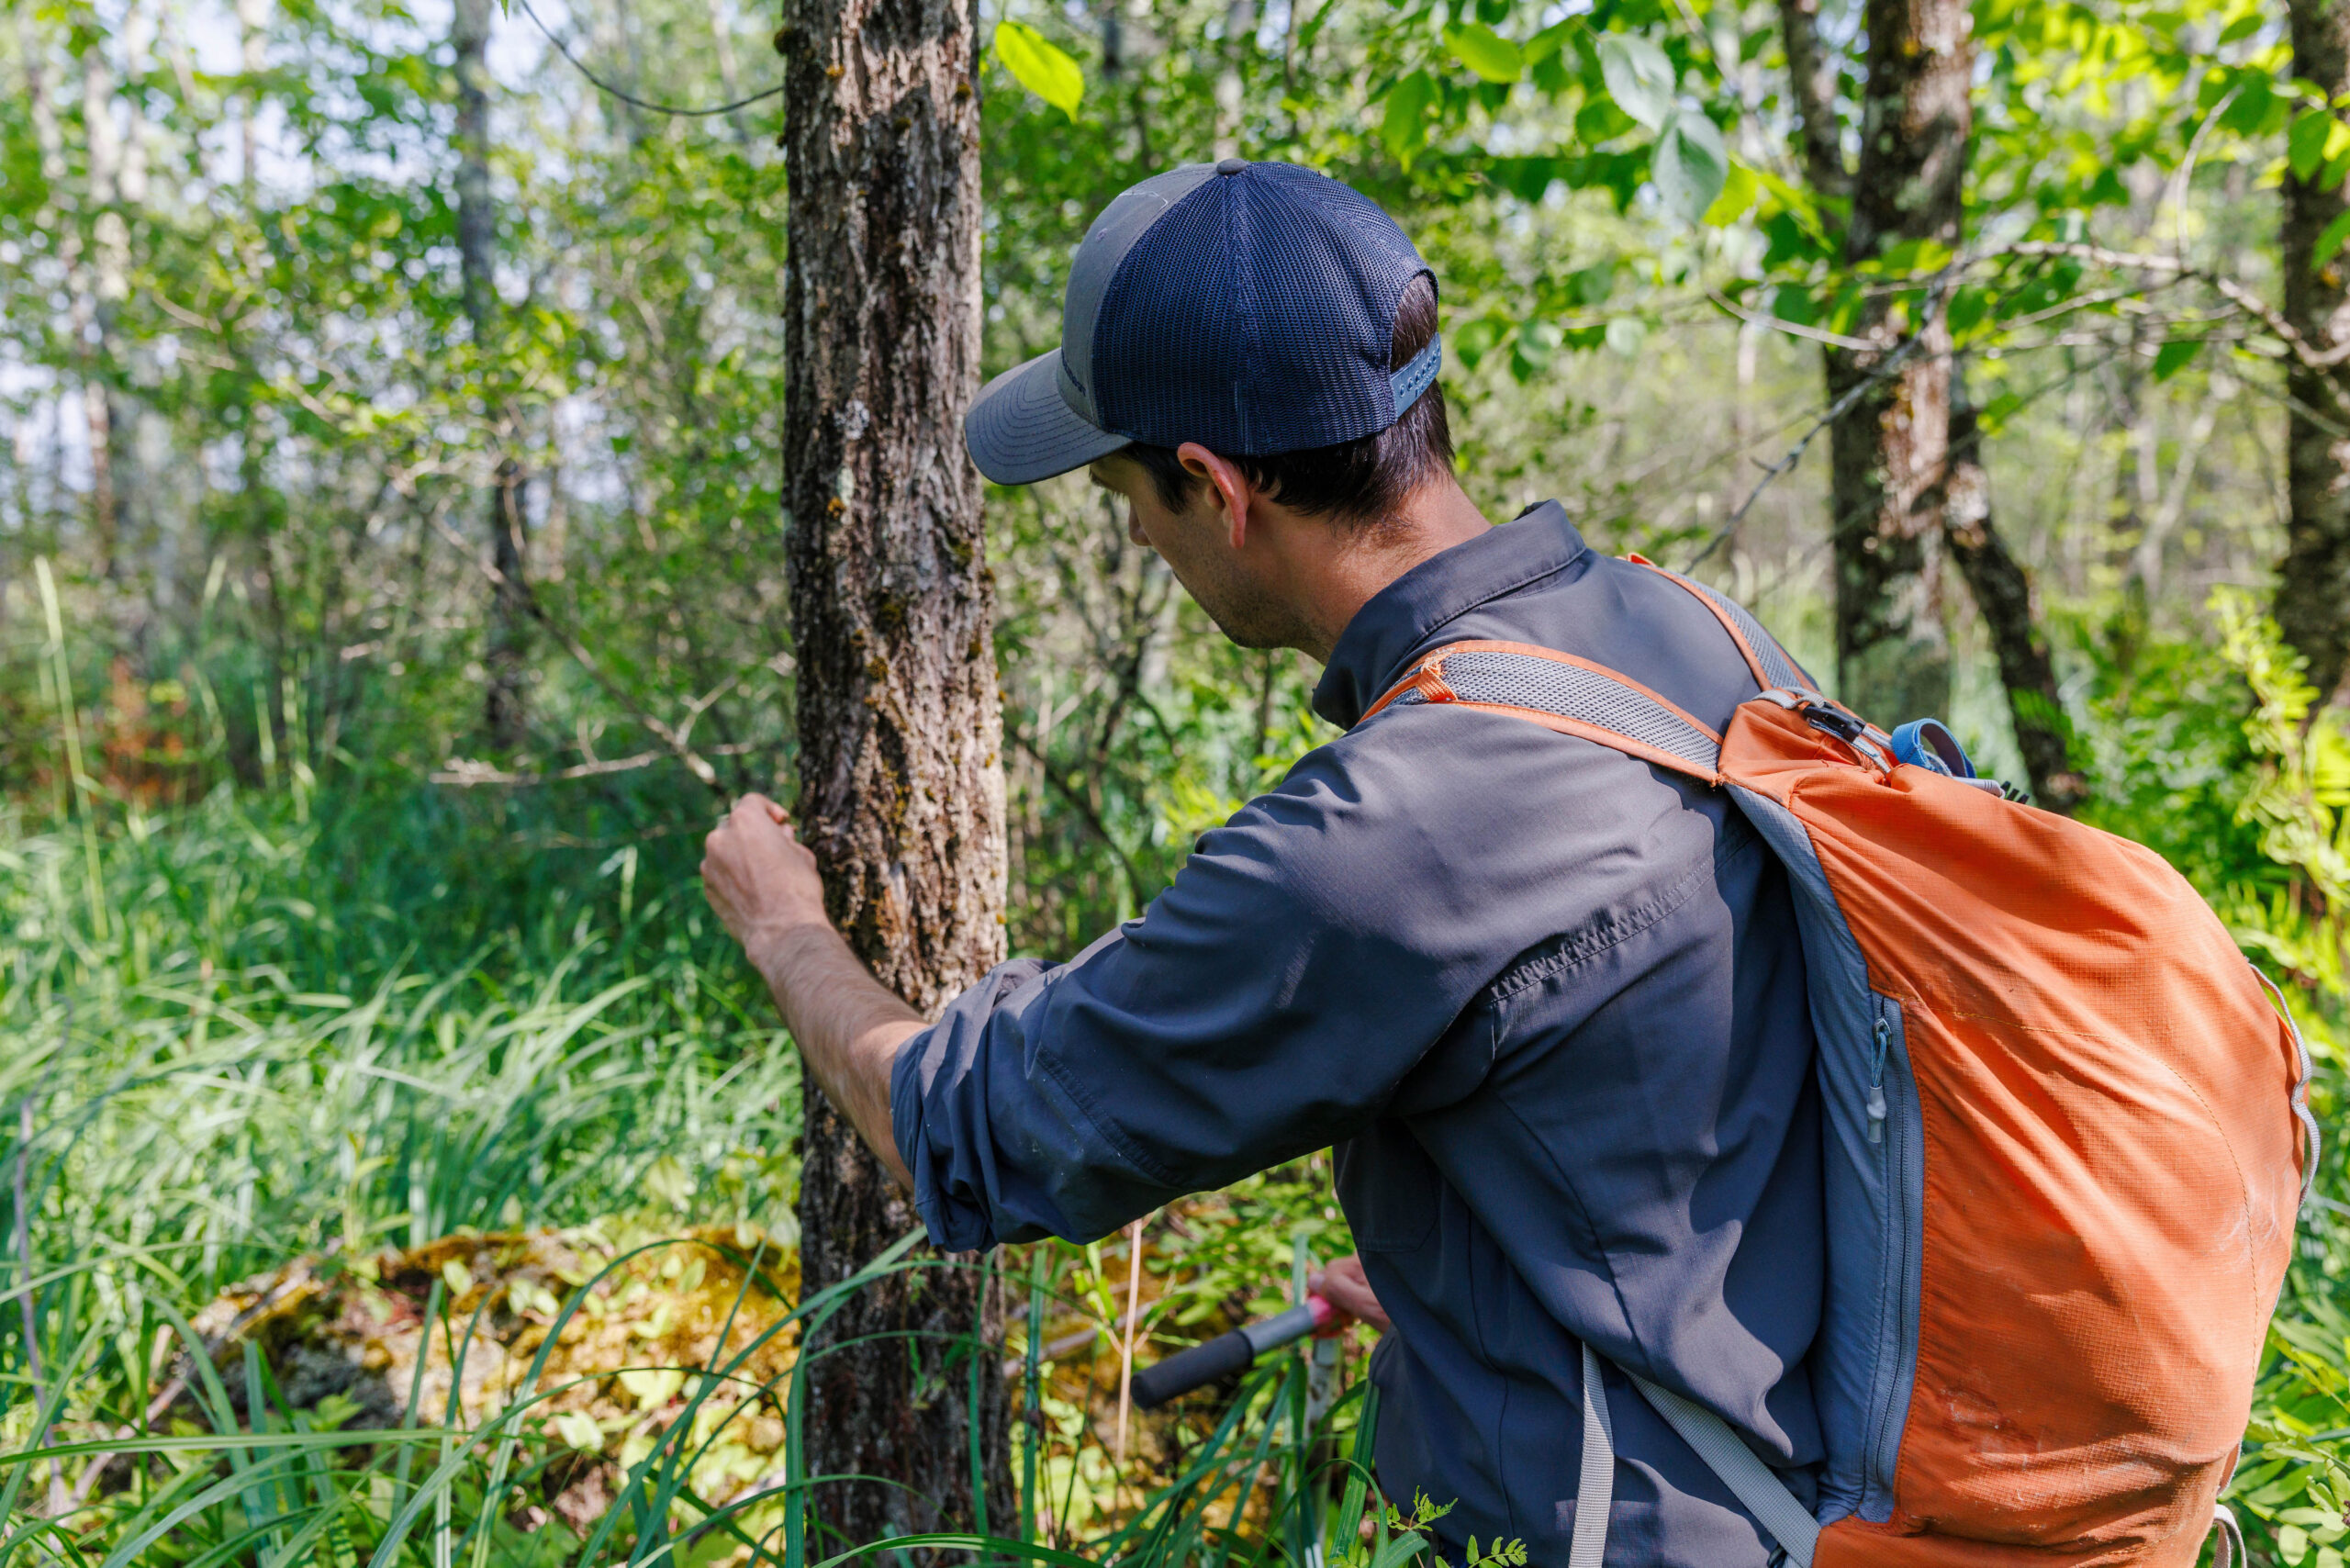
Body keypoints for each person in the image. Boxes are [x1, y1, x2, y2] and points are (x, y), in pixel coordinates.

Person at [700, 159, 1823, 1565]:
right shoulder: (1702, 637)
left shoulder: (1396, 831)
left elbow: (962, 1127)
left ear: (1214, 488)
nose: (1133, 530)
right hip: (1842, 1480)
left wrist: (786, 928)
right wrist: (1475, 1283)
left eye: (1127, 490)